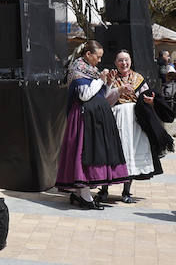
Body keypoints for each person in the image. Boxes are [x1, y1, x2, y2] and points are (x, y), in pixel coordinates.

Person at [54, 40, 128, 209]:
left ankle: (80, 194)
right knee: (83, 154)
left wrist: (108, 82)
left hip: (93, 118)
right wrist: (100, 80)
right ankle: (85, 196)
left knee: (89, 153)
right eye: (98, 57)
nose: (100, 61)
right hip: (82, 119)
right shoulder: (77, 69)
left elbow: (103, 96)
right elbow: (84, 95)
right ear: (88, 55)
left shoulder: (92, 70)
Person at [98, 50, 171, 204]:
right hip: (116, 117)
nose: (124, 63)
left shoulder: (138, 79)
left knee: (131, 151)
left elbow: (145, 98)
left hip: (134, 121)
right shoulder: (111, 78)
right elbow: (105, 100)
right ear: (115, 63)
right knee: (112, 152)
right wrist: (118, 90)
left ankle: (126, 191)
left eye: (126, 60)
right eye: (120, 60)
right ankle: (104, 190)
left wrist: (150, 102)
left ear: (130, 61)